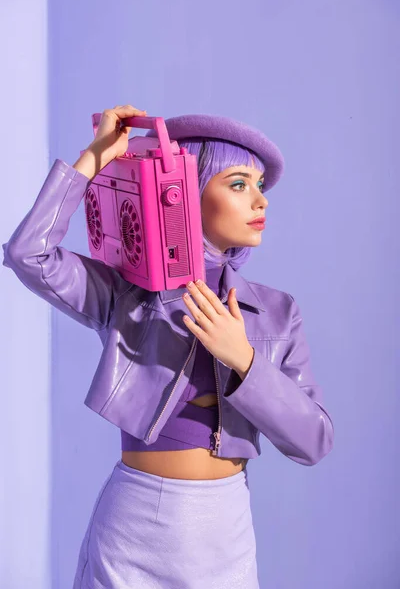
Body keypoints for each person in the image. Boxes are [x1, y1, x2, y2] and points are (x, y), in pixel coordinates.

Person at [2, 105, 334, 588]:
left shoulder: (279, 314)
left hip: (225, 532)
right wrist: (91, 161)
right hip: (133, 527)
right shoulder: (128, 294)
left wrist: (243, 359)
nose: (260, 201)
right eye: (239, 184)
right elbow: (27, 254)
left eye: (260, 186)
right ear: (183, 190)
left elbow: (314, 441)